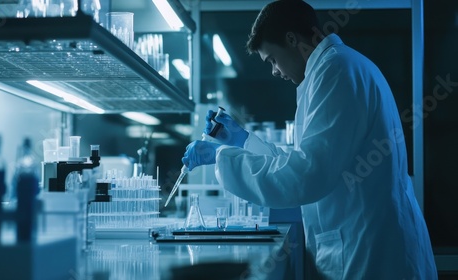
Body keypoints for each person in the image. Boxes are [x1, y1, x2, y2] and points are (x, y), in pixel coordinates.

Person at [182, 0, 437, 279]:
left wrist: (218, 157)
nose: (274, 71)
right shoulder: (331, 70)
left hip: (369, 252)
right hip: (359, 243)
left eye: (272, 60)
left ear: (292, 39)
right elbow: (307, 159)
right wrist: (241, 139)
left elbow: (308, 175)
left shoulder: (336, 70)